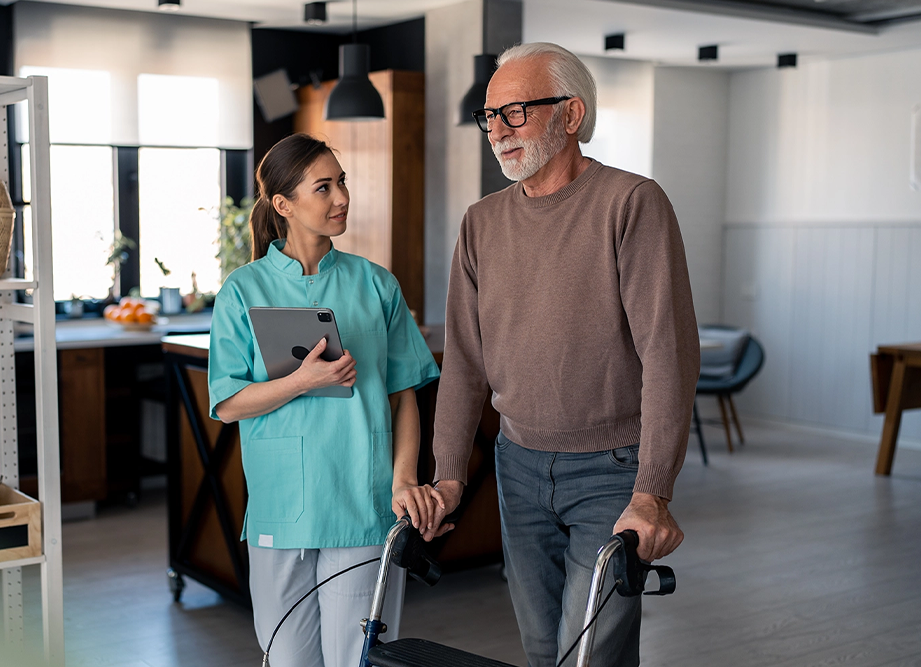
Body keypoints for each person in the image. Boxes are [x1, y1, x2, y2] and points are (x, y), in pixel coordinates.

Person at [426, 43, 701, 667]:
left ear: (571, 114)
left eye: (515, 112)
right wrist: (448, 472)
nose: (496, 131)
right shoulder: (480, 223)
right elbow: (465, 362)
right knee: (541, 646)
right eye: (489, 116)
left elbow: (669, 354)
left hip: (612, 469)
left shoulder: (632, 202)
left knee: (591, 652)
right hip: (517, 465)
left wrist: (653, 490)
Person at [208, 133, 442, 667]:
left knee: (359, 661)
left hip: (362, 502)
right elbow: (227, 402)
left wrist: (404, 479)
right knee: (287, 660)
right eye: (324, 187)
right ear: (284, 205)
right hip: (280, 505)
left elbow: (404, 395)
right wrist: (301, 381)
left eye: (341, 182)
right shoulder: (242, 291)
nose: (341, 197)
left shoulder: (377, 285)